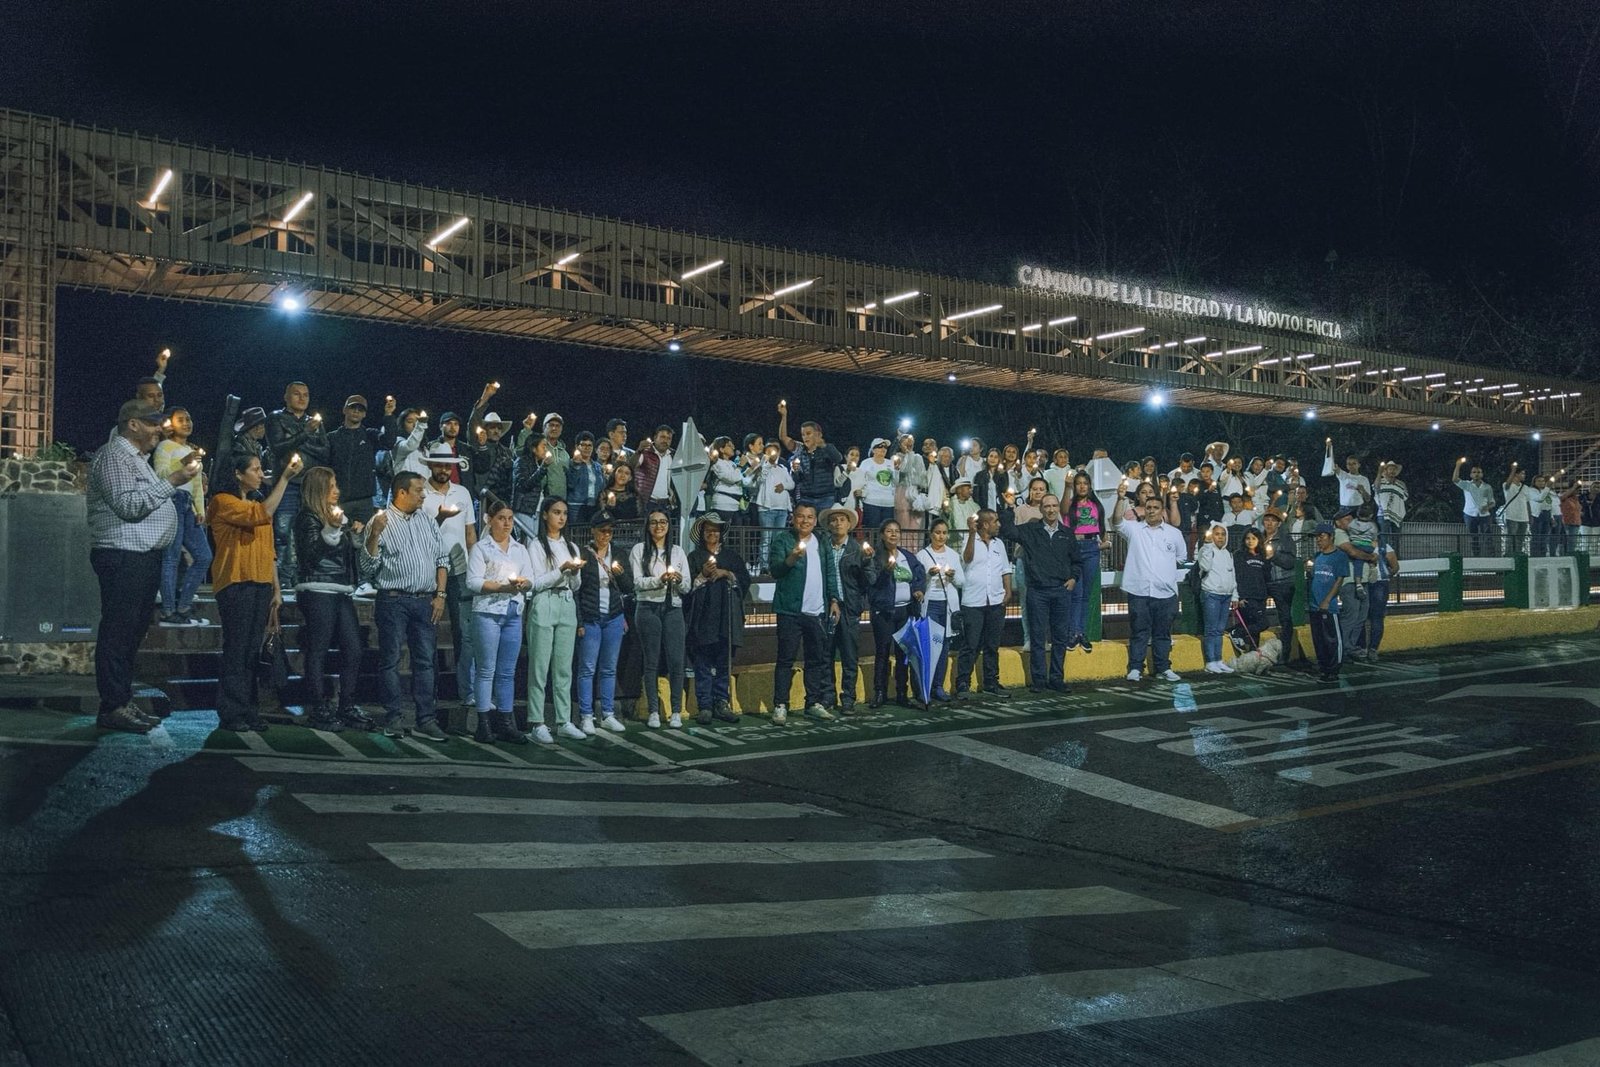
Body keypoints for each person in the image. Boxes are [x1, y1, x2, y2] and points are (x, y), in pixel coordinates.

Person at [87, 399, 204, 733]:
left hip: (141, 557)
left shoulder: (137, 459)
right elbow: (129, 505)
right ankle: (112, 706)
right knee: (118, 632)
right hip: (122, 556)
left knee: (130, 634)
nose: (160, 429)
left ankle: (121, 701)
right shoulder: (113, 456)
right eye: (153, 423)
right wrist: (176, 478)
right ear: (133, 424)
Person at [209, 450, 303, 732]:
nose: (261, 474)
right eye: (256, 469)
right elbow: (260, 515)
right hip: (236, 582)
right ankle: (231, 711)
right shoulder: (222, 502)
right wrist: (285, 478)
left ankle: (249, 709)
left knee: (251, 650)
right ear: (238, 474)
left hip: (260, 582)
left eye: (262, 469)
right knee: (237, 649)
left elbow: (270, 550)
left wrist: (276, 589)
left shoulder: (259, 501)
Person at [363, 471, 452, 741]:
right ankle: (394, 718)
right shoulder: (380, 522)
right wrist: (374, 537)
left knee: (425, 662)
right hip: (392, 600)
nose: (424, 495)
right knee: (390, 660)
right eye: (418, 490)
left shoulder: (426, 519)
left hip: (425, 600)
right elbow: (368, 569)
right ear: (401, 493)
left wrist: (441, 594)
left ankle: (426, 719)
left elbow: (442, 558)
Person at [292, 465, 377, 733]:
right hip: (317, 589)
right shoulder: (307, 518)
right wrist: (332, 530)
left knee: (353, 648)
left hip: (340, 589)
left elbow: (346, 553)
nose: (337, 491)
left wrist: (354, 536)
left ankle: (346, 705)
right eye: (331, 487)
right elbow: (312, 553)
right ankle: (319, 707)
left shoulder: (335, 517)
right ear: (319, 490)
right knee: (318, 649)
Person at [419, 443, 478, 727]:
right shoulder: (421, 493)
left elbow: (470, 533)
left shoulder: (463, 493)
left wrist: (477, 562)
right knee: (427, 634)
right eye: (439, 465)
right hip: (429, 570)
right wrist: (439, 517)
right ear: (430, 465)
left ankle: (468, 692)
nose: (444, 469)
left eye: (447, 465)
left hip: (460, 570)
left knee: (465, 635)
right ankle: (428, 696)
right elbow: (416, 532)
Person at [466, 497, 534, 744]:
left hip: (513, 613)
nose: (506, 524)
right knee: (486, 669)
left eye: (510, 519)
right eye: (501, 519)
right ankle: (483, 723)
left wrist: (523, 583)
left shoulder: (519, 549)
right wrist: (499, 587)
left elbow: (530, 578)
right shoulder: (482, 548)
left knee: (507, 672)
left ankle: (506, 722)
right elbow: (472, 581)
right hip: (487, 612)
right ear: (490, 521)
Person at [767, 503, 843, 724]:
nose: (805, 521)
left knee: (816, 659)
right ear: (793, 518)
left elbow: (830, 573)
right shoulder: (783, 540)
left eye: (810, 517)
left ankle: (813, 703)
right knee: (785, 659)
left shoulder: (822, 543)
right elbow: (775, 570)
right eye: (801, 516)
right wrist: (791, 559)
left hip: (816, 611)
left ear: (816, 520)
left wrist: (834, 600)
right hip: (789, 611)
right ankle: (780, 704)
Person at [523, 496, 586, 743]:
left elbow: (576, 585)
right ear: (545, 514)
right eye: (556, 512)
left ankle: (564, 720)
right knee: (539, 667)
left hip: (566, 603)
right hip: (544, 601)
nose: (561, 517)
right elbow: (536, 582)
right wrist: (561, 570)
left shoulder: (571, 546)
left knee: (563, 668)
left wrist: (575, 573)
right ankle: (537, 721)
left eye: (564, 513)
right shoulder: (536, 545)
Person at [1008, 494, 1083, 693]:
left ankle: (1057, 678)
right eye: (1047, 506)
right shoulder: (1031, 530)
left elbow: (1077, 561)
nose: (1051, 509)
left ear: (1059, 508)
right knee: (1037, 637)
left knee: (1059, 638)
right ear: (1040, 509)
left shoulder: (1067, 533)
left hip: (1061, 591)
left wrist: (1073, 578)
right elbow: (1007, 531)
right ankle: (1039, 680)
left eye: (1054, 506)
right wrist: (1009, 507)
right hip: (1038, 592)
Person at [685, 513, 750, 724]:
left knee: (724, 661)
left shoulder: (732, 557)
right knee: (702, 661)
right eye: (708, 531)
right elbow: (686, 588)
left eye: (715, 530)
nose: (712, 534)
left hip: (727, 616)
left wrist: (726, 573)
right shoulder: (694, 558)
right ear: (702, 534)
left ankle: (722, 702)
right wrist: (703, 574)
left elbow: (744, 581)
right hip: (704, 616)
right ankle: (704, 704)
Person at [574, 510, 633, 734]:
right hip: (591, 616)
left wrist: (619, 574)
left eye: (609, 531)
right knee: (587, 668)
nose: (606, 535)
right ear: (593, 530)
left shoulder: (618, 553)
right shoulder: (584, 554)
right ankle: (586, 715)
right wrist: (579, 621)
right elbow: (578, 590)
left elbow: (628, 587)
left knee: (609, 668)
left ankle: (607, 713)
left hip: (614, 616)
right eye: (602, 530)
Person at [631, 508, 691, 728]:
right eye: (654, 522)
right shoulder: (639, 550)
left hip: (673, 608)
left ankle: (676, 710)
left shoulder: (677, 551)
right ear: (648, 526)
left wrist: (677, 579)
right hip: (648, 608)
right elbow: (637, 582)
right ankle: (654, 711)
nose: (659, 526)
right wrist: (659, 579)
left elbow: (687, 586)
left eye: (663, 522)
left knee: (676, 660)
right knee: (651, 662)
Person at [265, 381, 329, 586]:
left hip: (311, 486)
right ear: (286, 396)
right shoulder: (276, 418)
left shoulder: (315, 422)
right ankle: (284, 579)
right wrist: (306, 434)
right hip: (288, 484)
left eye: (306, 395)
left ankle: (308, 574)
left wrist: (301, 439)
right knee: (284, 531)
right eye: (296, 394)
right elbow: (278, 448)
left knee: (311, 530)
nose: (302, 398)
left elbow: (325, 452)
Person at [1117, 495, 1187, 683]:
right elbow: (1116, 522)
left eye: (1156, 507)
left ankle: (1163, 667)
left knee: (1163, 633)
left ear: (1162, 510)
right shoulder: (1134, 529)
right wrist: (1119, 498)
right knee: (1139, 632)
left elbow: (1181, 557)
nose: (1151, 510)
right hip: (1139, 591)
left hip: (1166, 593)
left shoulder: (1174, 534)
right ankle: (1135, 668)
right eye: (1148, 507)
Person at [153, 407, 212, 626]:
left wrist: (200, 510)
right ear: (171, 423)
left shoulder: (192, 450)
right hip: (172, 499)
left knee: (204, 556)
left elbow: (196, 485)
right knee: (171, 557)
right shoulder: (164, 446)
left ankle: (183, 605)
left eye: (189, 419)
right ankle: (169, 611)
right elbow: (159, 475)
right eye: (181, 420)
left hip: (187, 504)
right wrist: (183, 461)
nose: (187, 423)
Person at [863, 519, 927, 707]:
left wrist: (919, 589)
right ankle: (880, 693)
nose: (893, 534)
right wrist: (885, 572)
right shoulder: (875, 558)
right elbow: (872, 583)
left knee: (903, 654)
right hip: (884, 612)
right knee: (882, 652)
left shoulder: (908, 556)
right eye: (889, 531)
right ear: (882, 534)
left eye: (897, 531)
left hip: (905, 611)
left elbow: (919, 576)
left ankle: (901, 693)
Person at [956, 508, 1012, 698]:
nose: (999, 524)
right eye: (995, 521)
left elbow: (1005, 569)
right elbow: (967, 558)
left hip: (995, 600)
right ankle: (963, 683)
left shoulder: (999, 544)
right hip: (974, 601)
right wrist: (972, 534)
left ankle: (991, 682)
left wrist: (1008, 590)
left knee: (992, 645)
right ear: (986, 524)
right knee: (970, 644)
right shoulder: (969, 540)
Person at [820, 505, 871, 713]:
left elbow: (869, 581)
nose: (838, 523)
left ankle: (848, 697)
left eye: (842, 519)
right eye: (834, 520)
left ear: (849, 524)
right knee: (826, 655)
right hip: (826, 608)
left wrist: (867, 564)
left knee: (850, 656)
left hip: (849, 608)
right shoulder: (822, 547)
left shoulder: (857, 550)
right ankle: (828, 696)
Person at [915, 518, 963, 703]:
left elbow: (961, 582)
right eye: (937, 532)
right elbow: (919, 582)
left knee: (943, 646)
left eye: (944, 533)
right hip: (931, 603)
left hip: (947, 605)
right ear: (930, 534)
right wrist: (929, 575)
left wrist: (953, 576)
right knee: (929, 646)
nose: (941, 536)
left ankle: (938, 686)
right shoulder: (922, 555)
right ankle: (924, 687)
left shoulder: (952, 554)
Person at [325, 395, 386, 528]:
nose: (356, 411)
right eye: (353, 407)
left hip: (364, 503)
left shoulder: (370, 435)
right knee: (338, 541)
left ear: (364, 414)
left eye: (360, 409)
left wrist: (388, 415)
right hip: (338, 500)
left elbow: (389, 443)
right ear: (344, 410)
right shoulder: (331, 437)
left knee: (363, 542)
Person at [1063, 473, 1108, 652]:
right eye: (1078, 483)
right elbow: (1064, 510)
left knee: (1086, 595)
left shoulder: (1095, 504)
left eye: (1085, 483)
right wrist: (1067, 487)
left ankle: (1082, 632)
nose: (1082, 486)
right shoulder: (1071, 504)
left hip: (1091, 547)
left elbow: (1102, 525)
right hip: (1075, 546)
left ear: (1090, 486)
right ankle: (1073, 632)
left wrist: (1104, 543)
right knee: (1076, 593)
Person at [776, 401, 845, 514]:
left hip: (826, 498)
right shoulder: (800, 449)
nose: (805, 437)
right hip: (806, 498)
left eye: (808, 434)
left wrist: (823, 445)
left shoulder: (827, 449)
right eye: (803, 434)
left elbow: (838, 458)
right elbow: (783, 437)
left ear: (818, 434)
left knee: (824, 530)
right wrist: (784, 416)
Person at [1307, 522, 1349, 683]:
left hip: (1328, 607)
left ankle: (1334, 670)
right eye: (1317, 537)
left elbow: (1339, 580)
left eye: (1322, 536)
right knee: (1319, 640)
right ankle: (1324, 668)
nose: (1319, 540)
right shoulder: (1317, 557)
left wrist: (1327, 600)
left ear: (1331, 537)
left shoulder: (1339, 556)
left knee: (1332, 639)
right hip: (1314, 605)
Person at [1195, 523, 1238, 674]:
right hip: (1211, 594)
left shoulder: (1228, 553)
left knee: (1219, 630)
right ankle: (1210, 661)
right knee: (1211, 629)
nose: (1220, 537)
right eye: (1217, 534)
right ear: (1212, 536)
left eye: (1223, 534)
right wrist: (1206, 546)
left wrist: (1234, 595)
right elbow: (1205, 567)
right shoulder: (1206, 550)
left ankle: (1218, 660)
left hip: (1225, 596)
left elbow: (1232, 575)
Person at [747, 441, 794, 570]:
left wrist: (783, 486)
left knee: (778, 539)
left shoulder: (783, 469)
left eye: (774, 451)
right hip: (766, 509)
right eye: (768, 452)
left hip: (782, 509)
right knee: (766, 538)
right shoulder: (761, 467)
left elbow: (792, 484)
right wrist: (765, 464)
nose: (772, 454)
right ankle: (764, 566)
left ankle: (776, 563)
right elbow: (760, 480)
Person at [1261, 510, 1298, 660]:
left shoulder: (1285, 539)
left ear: (1278, 523)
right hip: (1265, 582)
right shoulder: (1259, 538)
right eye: (1267, 520)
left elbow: (1290, 562)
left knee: (1285, 618)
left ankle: (1285, 653)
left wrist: (1274, 556)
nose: (1269, 523)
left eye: (1273, 520)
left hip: (1283, 583)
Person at [1357, 536, 1399, 662]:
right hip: (1373, 582)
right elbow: (1395, 567)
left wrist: (1384, 574)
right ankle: (1369, 649)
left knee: (1372, 616)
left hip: (1375, 583)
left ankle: (1367, 648)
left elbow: (1395, 566)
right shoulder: (1382, 547)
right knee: (1369, 616)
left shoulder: (1382, 547)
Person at [1232, 526, 1270, 652]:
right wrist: (1240, 596)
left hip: (1261, 596)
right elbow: (1238, 576)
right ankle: (1236, 631)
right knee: (1263, 623)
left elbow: (1266, 576)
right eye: (1247, 538)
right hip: (1248, 597)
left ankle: (1254, 655)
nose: (1250, 541)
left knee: (1255, 630)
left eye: (1253, 538)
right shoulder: (1239, 555)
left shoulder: (1262, 556)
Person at [1453, 457, 1496, 556]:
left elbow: (1492, 502)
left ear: (1482, 474)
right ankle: (1476, 559)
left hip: (1484, 515)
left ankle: (1492, 559)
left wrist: (1487, 507)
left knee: (1488, 538)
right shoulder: (1467, 485)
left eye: (1479, 472)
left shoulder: (1487, 487)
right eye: (1474, 472)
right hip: (1469, 514)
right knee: (1473, 538)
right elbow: (1455, 480)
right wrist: (1458, 465)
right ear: (1471, 474)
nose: (1476, 474)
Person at [512, 434, 551, 541]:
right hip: (524, 510)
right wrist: (543, 469)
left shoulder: (537, 464)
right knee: (527, 543)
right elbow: (524, 485)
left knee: (535, 544)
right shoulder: (521, 462)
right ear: (533, 448)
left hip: (537, 510)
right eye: (543, 446)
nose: (546, 450)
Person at [855, 438, 900, 531]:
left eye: (885, 447)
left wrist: (896, 470)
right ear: (873, 449)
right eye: (880, 446)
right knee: (872, 531)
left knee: (886, 530)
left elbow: (896, 482)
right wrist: (863, 493)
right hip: (871, 502)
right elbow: (860, 480)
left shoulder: (890, 463)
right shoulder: (866, 463)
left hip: (888, 503)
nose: (883, 449)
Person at [566, 431, 605, 525]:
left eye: (589, 445)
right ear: (577, 447)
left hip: (594, 507)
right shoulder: (570, 463)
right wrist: (576, 466)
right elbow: (570, 484)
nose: (586, 448)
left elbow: (602, 487)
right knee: (577, 535)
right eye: (583, 445)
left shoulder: (598, 467)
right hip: (576, 507)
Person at [1372, 460, 1408, 552]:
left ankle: (1395, 558)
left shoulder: (1401, 484)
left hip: (1397, 512)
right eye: (1390, 469)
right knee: (1384, 537)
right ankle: (1384, 558)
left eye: (1394, 469)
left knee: (1396, 539)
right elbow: (1376, 488)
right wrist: (1379, 473)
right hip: (1383, 513)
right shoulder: (1381, 481)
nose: (1392, 471)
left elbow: (1404, 497)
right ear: (1386, 470)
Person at [1501, 466, 1531, 555]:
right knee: (1511, 538)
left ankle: (1518, 554)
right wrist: (1513, 470)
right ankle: (1509, 554)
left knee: (1520, 539)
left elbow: (1527, 502)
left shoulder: (1525, 487)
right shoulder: (1507, 485)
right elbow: (1507, 485)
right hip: (1512, 516)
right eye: (1522, 473)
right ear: (1516, 474)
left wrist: (1529, 515)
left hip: (1524, 517)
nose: (1524, 475)